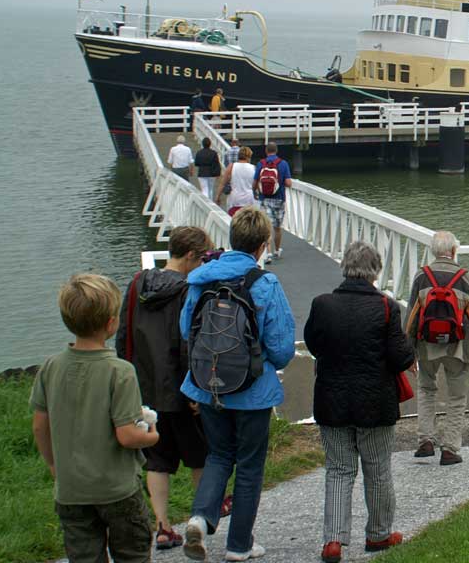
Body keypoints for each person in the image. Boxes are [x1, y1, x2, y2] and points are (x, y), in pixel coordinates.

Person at [181, 208, 296, 562]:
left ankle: (201, 516)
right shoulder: (264, 283)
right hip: (252, 392)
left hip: (208, 385)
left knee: (218, 455)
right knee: (249, 465)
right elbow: (281, 347)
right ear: (262, 246)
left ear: (230, 238)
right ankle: (239, 545)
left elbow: (187, 331)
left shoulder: (201, 279)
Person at [31, 274, 159, 563]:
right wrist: (152, 433)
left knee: (84, 557)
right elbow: (127, 435)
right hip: (117, 489)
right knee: (132, 554)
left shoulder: (50, 367)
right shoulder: (120, 370)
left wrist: (53, 463)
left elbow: (40, 424)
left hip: (71, 490)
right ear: (111, 324)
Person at [304, 241, 415, 561]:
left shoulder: (322, 304)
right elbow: (399, 358)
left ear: (345, 267)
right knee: (377, 469)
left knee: (338, 469)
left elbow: (314, 344)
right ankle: (378, 534)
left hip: (331, 399)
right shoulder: (386, 307)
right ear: (375, 270)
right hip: (374, 402)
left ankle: (334, 540)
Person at [116, 226, 213, 550]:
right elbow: (189, 344)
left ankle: (162, 526)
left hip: (146, 388)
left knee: (157, 459)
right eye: (201, 260)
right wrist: (196, 389)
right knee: (200, 456)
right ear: (190, 256)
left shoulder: (137, 285)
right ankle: (199, 519)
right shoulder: (187, 291)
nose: (202, 266)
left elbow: (123, 335)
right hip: (182, 390)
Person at [406, 231, 469, 466]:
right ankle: (450, 449)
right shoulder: (464, 278)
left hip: (426, 346)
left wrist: (409, 352)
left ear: (434, 251)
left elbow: (411, 317)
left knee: (426, 389)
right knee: (456, 397)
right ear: (454, 251)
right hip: (459, 348)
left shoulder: (421, 277)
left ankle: (426, 441)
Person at [254, 142, 293, 264]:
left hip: (264, 199)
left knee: (266, 227)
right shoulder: (283, 164)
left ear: (266, 151)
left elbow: (255, 183)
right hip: (279, 199)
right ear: (276, 151)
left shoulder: (261, 163)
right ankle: (277, 250)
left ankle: (268, 253)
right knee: (277, 227)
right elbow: (288, 183)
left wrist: (255, 192)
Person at [220, 146, 255, 216]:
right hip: (248, 199)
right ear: (249, 156)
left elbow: (223, 183)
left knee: (233, 219)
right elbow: (255, 185)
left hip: (235, 199)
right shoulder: (253, 168)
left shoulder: (232, 166)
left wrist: (218, 197)